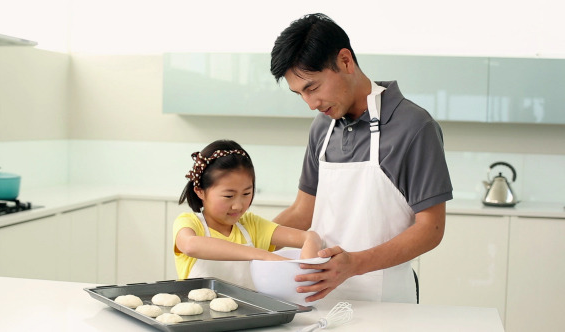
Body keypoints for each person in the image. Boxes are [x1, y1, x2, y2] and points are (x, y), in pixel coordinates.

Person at [270, 13, 453, 303]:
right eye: (300, 94)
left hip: (386, 303)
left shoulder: (414, 126)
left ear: (345, 61)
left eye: (313, 87)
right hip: (320, 298)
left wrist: (354, 264)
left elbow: (431, 229)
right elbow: (303, 212)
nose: (311, 104)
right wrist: (245, 239)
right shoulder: (322, 127)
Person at [173, 139, 323, 289]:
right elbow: (190, 245)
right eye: (228, 196)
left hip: (249, 312)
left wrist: (309, 271)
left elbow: (309, 237)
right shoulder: (190, 223)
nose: (238, 205)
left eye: (246, 193)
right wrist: (263, 255)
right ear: (200, 191)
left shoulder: (251, 225)